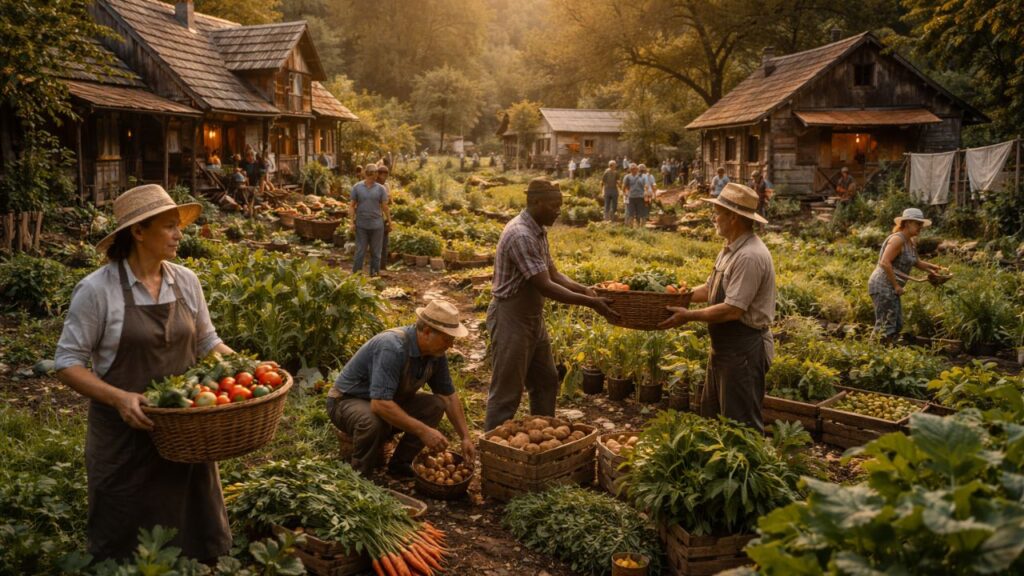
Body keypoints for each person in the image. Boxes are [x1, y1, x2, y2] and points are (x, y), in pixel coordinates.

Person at [54, 185, 237, 562]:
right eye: (169, 226)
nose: (179, 234)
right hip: (124, 435)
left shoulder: (185, 281)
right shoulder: (97, 290)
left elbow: (208, 341)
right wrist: (120, 398)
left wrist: (250, 367)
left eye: (178, 226)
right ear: (138, 232)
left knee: (190, 523)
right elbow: (67, 363)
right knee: (125, 530)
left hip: (184, 429)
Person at [484, 179, 617, 430]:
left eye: (560, 205)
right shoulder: (521, 234)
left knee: (546, 379)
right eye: (554, 205)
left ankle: (543, 433)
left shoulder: (537, 230)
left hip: (532, 317)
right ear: (536, 202)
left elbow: (553, 273)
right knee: (507, 391)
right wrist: (590, 303)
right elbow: (545, 285)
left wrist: (584, 289)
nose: (559, 211)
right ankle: (492, 445)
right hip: (510, 316)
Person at [659, 183, 776, 433]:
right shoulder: (730, 249)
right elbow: (709, 289)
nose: (714, 217)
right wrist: (678, 297)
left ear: (733, 217)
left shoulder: (749, 256)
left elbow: (733, 309)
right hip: (725, 348)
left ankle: (748, 459)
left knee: (740, 425)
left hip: (744, 349)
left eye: (718, 212)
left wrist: (688, 316)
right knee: (714, 417)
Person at [327, 300, 475, 476]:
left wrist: (465, 437)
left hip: (388, 400)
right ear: (427, 332)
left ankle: (400, 465)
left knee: (435, 405)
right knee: (372, 421)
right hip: (346, 401)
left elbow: (448, 397)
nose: (451, 345)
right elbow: (379, 404)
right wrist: (423, 431)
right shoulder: (392, 347)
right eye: (447, 339)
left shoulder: (436, 354)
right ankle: (360, 475)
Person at [867, 208, 944, 341]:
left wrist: (935, 268)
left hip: (890, 287)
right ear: (907, 223)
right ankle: (874, 349)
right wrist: (896, 285)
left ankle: (886, 349)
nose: (920, 227)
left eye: (921, 224)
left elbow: (916, 262)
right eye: (917, 224)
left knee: (897, 324)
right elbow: (884, 262)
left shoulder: (910, 242)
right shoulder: (898, 239)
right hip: (883, 285)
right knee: (886, 326)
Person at [349, 164, 391, 277]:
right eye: (375, 172)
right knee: (360, 251)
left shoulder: (381, 189)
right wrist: (351, 222)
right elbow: (352, 205)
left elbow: (385, 207)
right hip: (361, 225)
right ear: (369, 173)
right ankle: (356, 276)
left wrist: (389, 222)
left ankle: (374, 275)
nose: (377, 175)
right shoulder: (357, 187)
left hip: (377, 226)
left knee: (376, 252)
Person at [376, 164, 393, 271]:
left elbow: (389, 201)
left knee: (384, 242)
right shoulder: (374, 186)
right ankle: (376, 266)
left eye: (386, 174)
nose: (385, 176)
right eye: (383, 174)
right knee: (376, 242)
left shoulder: (386, 186)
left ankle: (382, 266)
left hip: (384, 217)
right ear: (378, 174)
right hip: (375, 217)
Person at [622, 163, 645, 227]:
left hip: (640, 196)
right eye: (632, 169)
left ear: (637, 169)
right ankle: (630, 226)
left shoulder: (641, 176)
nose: (633, 170)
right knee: (630, 212)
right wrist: (624, 193)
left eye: (634, 168)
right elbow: (624, 186)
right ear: (630, 169)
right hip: (631, 197)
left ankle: (638, 225)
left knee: (639, 212)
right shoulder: (627, 177)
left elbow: (645, 185)